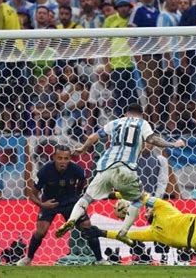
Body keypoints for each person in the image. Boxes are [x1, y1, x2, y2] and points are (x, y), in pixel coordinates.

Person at [55, 103, 185, 246]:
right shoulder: (142, 123)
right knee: (137, 200)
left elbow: (93, 137)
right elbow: (152, 139)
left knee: (87, 197)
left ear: (126, 113)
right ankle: (123, 232)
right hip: (126, 168)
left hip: (105, 166)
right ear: (140, 114)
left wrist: (83, 148)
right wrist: (173, 144)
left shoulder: (115, 122)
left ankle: (71, 220)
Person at [16, 145, 106, 266]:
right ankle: (28, 258)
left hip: (70, 202)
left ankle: (100, 259)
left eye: (66, 158)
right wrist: (43, 204)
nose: (63, 161)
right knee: (41, 231)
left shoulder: (76, 170)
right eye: (60, 158)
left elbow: (82, 181)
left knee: (87, 227)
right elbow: (32, 194)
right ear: (54, 157)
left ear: (70, 158)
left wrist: (77, 195)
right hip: (50, 203)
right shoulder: (45, 171)